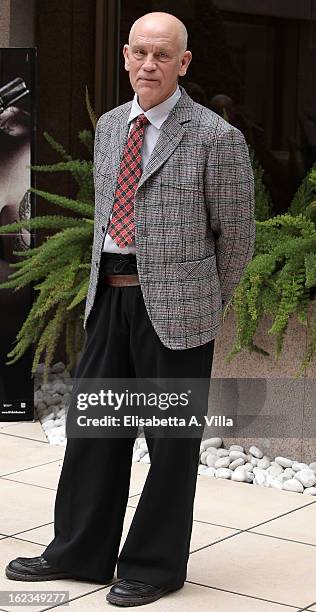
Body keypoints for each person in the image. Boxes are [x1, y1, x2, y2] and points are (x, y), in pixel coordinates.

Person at [5, 11, 256, 608]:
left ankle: (154, 565)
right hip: (108, 303)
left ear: (183, 63)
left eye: (162, 55)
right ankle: (79, 552)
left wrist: (202, 304)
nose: (149, 64)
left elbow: (238, 240)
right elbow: (105, 225)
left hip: (176, 309)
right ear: (124, 55)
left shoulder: (217, 137)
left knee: (170, 444)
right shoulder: (115, 126)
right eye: (140, 52)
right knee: (94, 430)